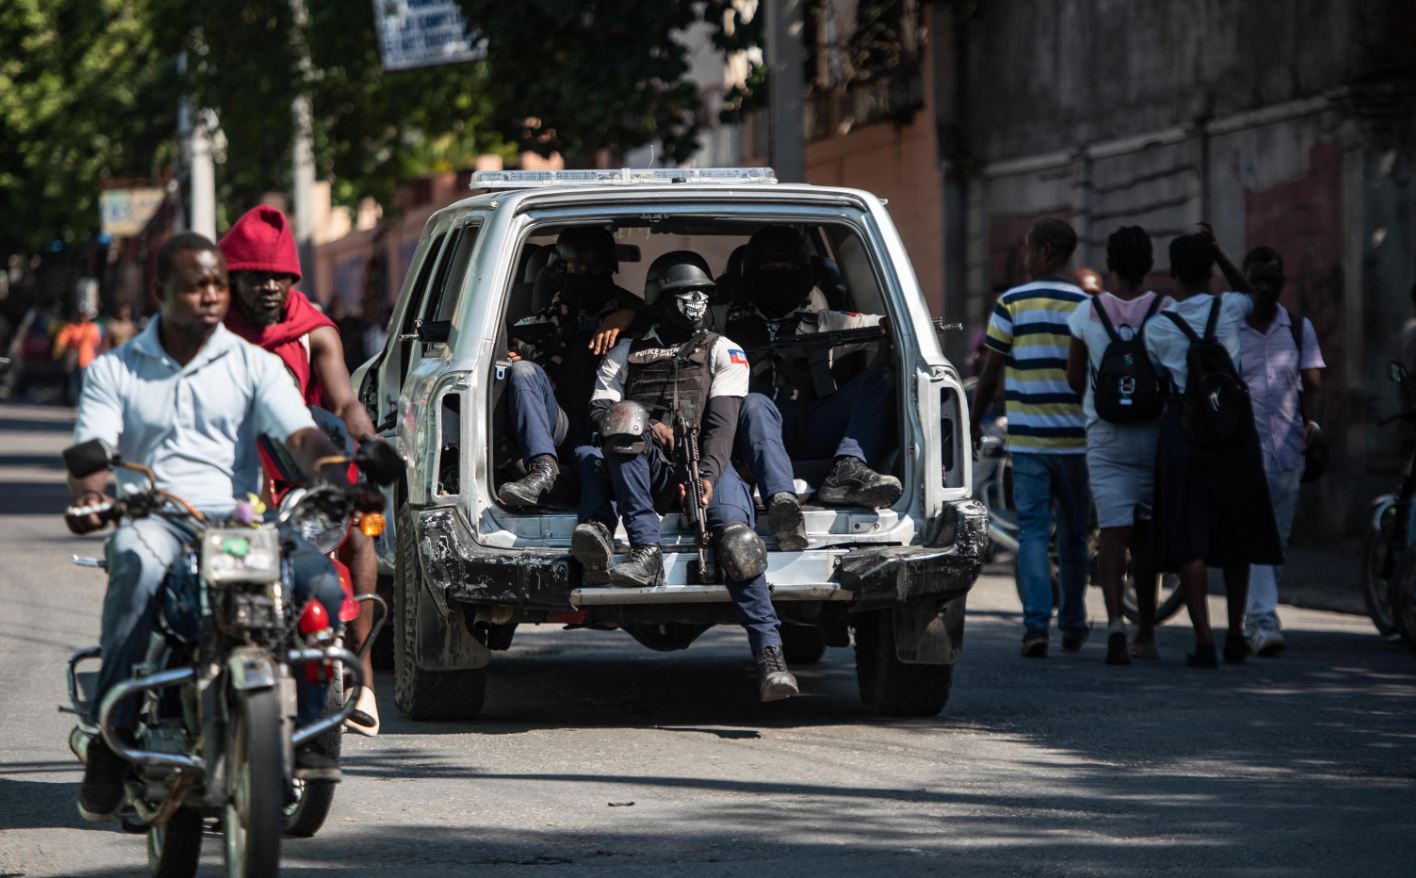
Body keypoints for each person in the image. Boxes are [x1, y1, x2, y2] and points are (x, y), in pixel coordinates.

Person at [67, 232, 366, 822]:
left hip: (242, 521)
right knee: (136, 564)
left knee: (321, 584)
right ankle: (112, 737)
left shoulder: (253, 364)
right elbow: (94, 452)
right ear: (161, 291)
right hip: (156, 518)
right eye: (196, 284)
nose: (210, 296)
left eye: (218, 284)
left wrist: (337, 470)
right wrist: (94, 498)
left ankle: (311, 737)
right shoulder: (115, 370)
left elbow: (300, 433)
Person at [571, 251, 799, 702]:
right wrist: (647, 423)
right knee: (624, 418)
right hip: (646, 466)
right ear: (659, 300)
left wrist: (710, 476)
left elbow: (724, 423)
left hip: (709, 463)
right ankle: (645, 549)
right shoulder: (625, 351)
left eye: (703, 295)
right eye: (683, 295)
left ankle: (771, 658)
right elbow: (599, 409)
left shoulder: (723, 348)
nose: (695, 302)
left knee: (739, 546)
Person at [219, 205, 387, 735]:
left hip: (304, 468)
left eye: (280, 276)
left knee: (361, 530)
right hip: (229, 474)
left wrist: (370, 441)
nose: (270, 287)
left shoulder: (313, 330)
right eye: (256, 276)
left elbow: (344, 403)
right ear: (231, 278)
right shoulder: (210, 332)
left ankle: (360, 673)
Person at [1143, 228, 1283, 668]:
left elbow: (1156, 379)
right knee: (1237, 535)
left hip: (1185, 436)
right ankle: (1236, 634)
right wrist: (1220, 250)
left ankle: (1204, 640)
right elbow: (1251, 293)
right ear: (1209, 272)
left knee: (1190, 540)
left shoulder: (1159, 327)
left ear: (1174, 276)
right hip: (1234, 435)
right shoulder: (1231, 306)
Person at [723, 226, 901, 526]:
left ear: (805, 277)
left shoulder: (825, 323)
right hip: (750, 433)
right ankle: (781, 500)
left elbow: (885, 327)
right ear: (752, 275)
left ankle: (849, 467)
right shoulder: (723, 320)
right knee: (755, 402)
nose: (779, 277)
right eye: (770, 270)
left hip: (811, 423)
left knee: (881, 379)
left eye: (789, 270)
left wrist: (902, 324)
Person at [971, 218, 1090, 658]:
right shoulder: (1085, 304)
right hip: (1076, 442)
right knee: (1076, 535)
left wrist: (972, 421)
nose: (1022, 257)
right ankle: (1074, 624)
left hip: (1029, 444)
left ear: (1043, 251)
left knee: (1034, 532)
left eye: (1026, 248)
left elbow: (989, 376)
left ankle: (1036, 625)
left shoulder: (1012, 303)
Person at [1066, 227, 1172, 664]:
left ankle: (1113, 624)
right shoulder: (1166, 310)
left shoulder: (1088, 312)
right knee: (1145, 533)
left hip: (1105, 434)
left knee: (1112, 532)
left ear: (1110, 263)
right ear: (1149, 263)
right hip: (1153, 432)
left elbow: (1074, 378)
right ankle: (1145, 631)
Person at [496, 227, 640, 508]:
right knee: (523, 372)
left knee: (590, 471)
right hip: (558, 425)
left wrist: (629, 316)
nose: (576, 275)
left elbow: (667, 324)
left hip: (612, 427)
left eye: (585, 269)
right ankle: (543, 470)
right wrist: (510, 357)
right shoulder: (540, 324)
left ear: (604, 271)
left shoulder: (632, 319)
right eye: (570, 268)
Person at [1237, 246, 1325, 656]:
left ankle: (1254, 617)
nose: (1266, 288)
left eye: (1273, 280)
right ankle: (1261, 622)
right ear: (1245, 280)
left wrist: (1314, 425)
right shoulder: (1231, 330)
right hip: (1245, 452)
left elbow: (1313, 384)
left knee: (1277, 540)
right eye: (1258, 280)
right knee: (1260, 536)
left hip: (1289, 452)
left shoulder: (1297, 327)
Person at [54, 304, 103, 405]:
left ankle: (85, 403)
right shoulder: (71, 327)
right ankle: (75, 402)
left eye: (85, 315)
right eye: (81, 315)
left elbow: (97, 342)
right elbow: (61, 340)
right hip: (74, 361)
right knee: (74, 383)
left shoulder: (92, 327)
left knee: (85, 383)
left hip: (87, 360)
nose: (83, 317)